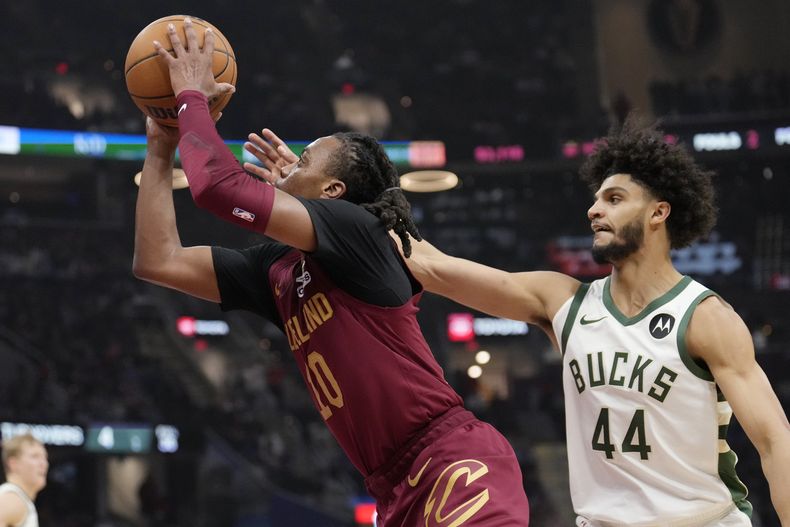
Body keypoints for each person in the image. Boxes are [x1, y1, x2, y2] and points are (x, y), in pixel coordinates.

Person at [133, 18, 530, 525]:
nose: (286, 166)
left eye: (304, 160)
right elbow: (157, 259)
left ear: (334, 194)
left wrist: (189, 94)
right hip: (391, 486)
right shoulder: (279, 269)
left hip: (451, 459)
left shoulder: (356, 229)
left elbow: (215, 188)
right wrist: (161, 146)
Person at [379, 120, 788, 526]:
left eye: (614, 198)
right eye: (596, 200)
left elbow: (774, 441)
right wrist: (370, 214)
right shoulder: (563, 302)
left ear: (658, 212)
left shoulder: (703, 316)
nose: (594, 209)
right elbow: (436, 269)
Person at [0, 434, 48, 527]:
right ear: (13, 464)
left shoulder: (19, 499)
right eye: (35, 456)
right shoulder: (12, 499)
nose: (43, 463)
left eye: (44, 457)